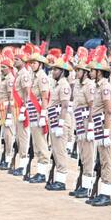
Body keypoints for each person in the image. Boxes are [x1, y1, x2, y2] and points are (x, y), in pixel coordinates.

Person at [86, 46, 111, 206]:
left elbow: (108, 111)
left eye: (93, 70)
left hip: (104, 127)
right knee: (101, 161)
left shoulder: (105, 87)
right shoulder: (98, 86)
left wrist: (105, 133)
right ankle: (102, 192)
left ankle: (106, 194)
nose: (90, 72)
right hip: (98, 126)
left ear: (99, 72)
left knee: (106, 161)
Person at [70, 48, 97, 198]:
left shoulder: (89, 86)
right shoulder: (79, 85)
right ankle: (83, 184)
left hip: (87, 122)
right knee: (82, 155)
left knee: (87, 156)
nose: (76, 73)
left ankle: (87, 187)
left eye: (79, 71)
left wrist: (91, 125)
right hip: (80, 121)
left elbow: (92, 105)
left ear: (85, 72)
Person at [45, 48, 73, 191]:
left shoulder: (64, 85)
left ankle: (61, 181)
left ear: (62, 71)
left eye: (56, 69)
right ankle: (57, 177)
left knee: (60, 151)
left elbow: (65, 106)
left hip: (60, 120)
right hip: (54, 119)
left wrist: (60, 125)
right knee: (55, 150)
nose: (53, 72)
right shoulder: (57, 85)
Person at [25, 46, 52, 183]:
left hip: (39, 112)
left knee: (41, 144)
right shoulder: (33, 76)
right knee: (36, 144)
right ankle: (39, 170)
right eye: (31, 63)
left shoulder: (42, 77)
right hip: (32, 112)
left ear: (40, 64)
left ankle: (42, 172)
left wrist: (43, 114)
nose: (32, 65)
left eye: (34, 63)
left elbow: (45, 97)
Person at [10, 45, 32, 176]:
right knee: (18, 136)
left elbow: (26, 93)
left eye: (17, 59)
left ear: (23, 61)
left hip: (22, 108)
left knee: (23, 137)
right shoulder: (18, 74)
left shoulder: (24, 74)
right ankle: (20, 163)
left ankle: (23, 165)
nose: (14, 61)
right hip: (16, 108)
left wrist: (24, 108)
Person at [0, 47, 16, 170]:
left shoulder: (10, 79)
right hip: (2, 109)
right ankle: (6, 157)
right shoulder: (5, 78)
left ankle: (9, 158)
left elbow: (10, 98)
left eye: (4, 67)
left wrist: (9, 115)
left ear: (9, 68)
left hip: (7, 109)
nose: (1, 69)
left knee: (8, 135)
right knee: (4, 134)